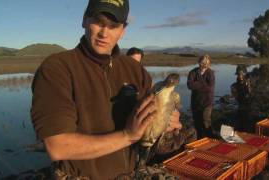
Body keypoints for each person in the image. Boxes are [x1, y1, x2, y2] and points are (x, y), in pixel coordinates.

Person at [30, 0, 181, 179]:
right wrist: (127, 136)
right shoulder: (57, 69)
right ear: (85, 20)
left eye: (113, 26)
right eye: (98, 22)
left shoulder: (134, 69)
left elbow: (148, 125)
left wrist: (166, 120)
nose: (104, 33)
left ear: (123, 30)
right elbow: (58, 146)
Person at [187, 54, 215, 138]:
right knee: (197, 123)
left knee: (206, 122)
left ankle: (210, 139)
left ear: (209, 63)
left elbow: (210, 88)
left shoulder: (210, 73)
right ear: (199, 62)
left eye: (207, 62)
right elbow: (189, 85)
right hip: (195, 102)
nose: (204, 64)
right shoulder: (193, 72)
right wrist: (203, 85)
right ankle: (200, 140)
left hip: (207, 102)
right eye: (203, 62)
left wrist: (197, 85)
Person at [230, 65, 252, 132]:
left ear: (245, 74)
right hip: (241, 106)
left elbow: (250, 94)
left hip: (250, 107)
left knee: (247, 123)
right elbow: (236, 97)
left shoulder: (250, 82)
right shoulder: (235, 85)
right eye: (239, 74)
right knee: (239, 123)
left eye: (242, 74)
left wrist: (248, 85)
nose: (240, 76)